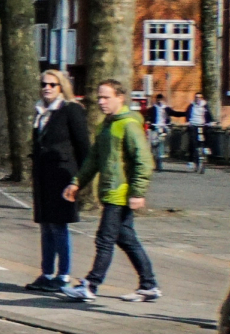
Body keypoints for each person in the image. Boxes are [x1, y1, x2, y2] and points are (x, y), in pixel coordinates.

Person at [63, 79, 159, 302]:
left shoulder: (128, 125)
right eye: (99, 97)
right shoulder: (106, 125)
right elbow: (94, 159)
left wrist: (138, 192)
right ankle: (149, 285)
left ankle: (90, 285)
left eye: (106, 97)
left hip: (120, 192)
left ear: (120, 98)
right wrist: (77, 182)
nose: (101, 102)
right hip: (111, 191)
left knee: (104, 239)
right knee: (126, 239)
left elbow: (144, 161)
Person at [27, 70, 92, 293]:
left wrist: (80, 180)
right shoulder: (41, 112)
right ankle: (46, 273)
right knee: (46, 225)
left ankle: (63, 275)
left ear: (61, 87)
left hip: (62, 175)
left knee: (59, 226)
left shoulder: (70, 110)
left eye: (52, 85)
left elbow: (83, 146)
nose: (47, 88)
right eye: (44, 84)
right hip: (44, 176)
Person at [185, 95, 211, 173]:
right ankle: (192, 161)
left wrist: (211, 122)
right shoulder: (191, 106)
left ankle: (207, 147)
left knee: (208, 133)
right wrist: (187, 122)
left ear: (202, 98)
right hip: (193, 125)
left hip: (202, 124)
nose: (198, 99)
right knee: (192, 142)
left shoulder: (205, 106)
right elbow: (187, 115)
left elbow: (209, 115)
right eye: (196, 97)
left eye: (199, 97)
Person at [148, 96, 171, 171]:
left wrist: (185, 114)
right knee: (154, 143)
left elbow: (174, 113)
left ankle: (165, 151)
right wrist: (148, 121)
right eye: (158, 100)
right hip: (155, 127)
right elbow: (148, 116)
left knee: (164, 139)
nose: (159, 102)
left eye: (161, 100)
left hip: (163, 127)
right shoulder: (153, 108)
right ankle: (154, 155)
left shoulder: (166, 108)